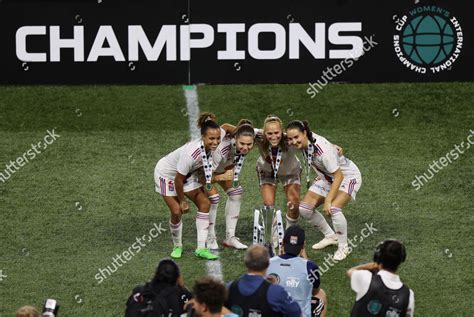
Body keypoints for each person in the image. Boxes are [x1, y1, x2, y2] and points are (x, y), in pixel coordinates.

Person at [286, 120, 362, 261]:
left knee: (333, 209)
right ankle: (330, 236)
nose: (294, 141)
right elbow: (276, 135)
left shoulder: (323, 151)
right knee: (304, 209)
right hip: (327, 177)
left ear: (304, 134)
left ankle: (343, 247)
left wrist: (328, 200)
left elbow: (339, 176)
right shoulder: (303, 137)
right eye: (290, 139)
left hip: (347, 177)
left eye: (296, 137)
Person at [154, 112, 221, 260]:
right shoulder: (192, 154)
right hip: (167, 174)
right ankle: (177, 246)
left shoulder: (212, 150)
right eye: (211, 139)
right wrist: (183, 201)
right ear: (203, 137)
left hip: (188, 174)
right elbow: (178, 180)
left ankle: (201, 248)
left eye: (218, 138)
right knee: (177, 211)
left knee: (205, 203)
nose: (215, 142)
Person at [206, 120, 256, 250]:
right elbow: (205, 178)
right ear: (235, 138)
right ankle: (210, 237)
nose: (245, 147)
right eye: (242, 144)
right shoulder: (221, 150)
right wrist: (221, 177)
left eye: (249, 144)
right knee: (214, 199)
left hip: (220, 168)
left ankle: (230, 237)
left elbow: (271, 133)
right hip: (201, 171)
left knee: (236, 193)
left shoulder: (249, 134)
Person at [267, 225, 327, 317]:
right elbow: (315, 291)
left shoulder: (267, 263)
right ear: (303, 245)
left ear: (282, 243)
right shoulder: (310, 267)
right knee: (321, 294)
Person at [225, 244, 302, 316]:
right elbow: (297, 314)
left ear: (246, 263)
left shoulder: (230, 287)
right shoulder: (276, 292)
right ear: (268, 264)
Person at [255, 115, 302, 229]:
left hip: (290, 171)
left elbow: (309, 138)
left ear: (282, 132)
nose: (274, 136)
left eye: (277, 133)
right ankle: (274, 231)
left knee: (294, 204)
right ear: (264, 133)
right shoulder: (258, 136)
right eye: (269, 133)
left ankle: (290, 230)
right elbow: (240, 129)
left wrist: (333, 146)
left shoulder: (289, 139)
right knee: (268, 206)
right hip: (267, 172)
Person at [347, 240, 415, 317]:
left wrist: (373, 265)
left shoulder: (367, 278)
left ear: (378, 258)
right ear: (400, 261)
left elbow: (350, 271)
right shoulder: (408, 295)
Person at [125, 258, 192, 316]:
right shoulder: (181, 295)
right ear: (177, 278)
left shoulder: (138, 290)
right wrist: (182, 287)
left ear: (156, 274)